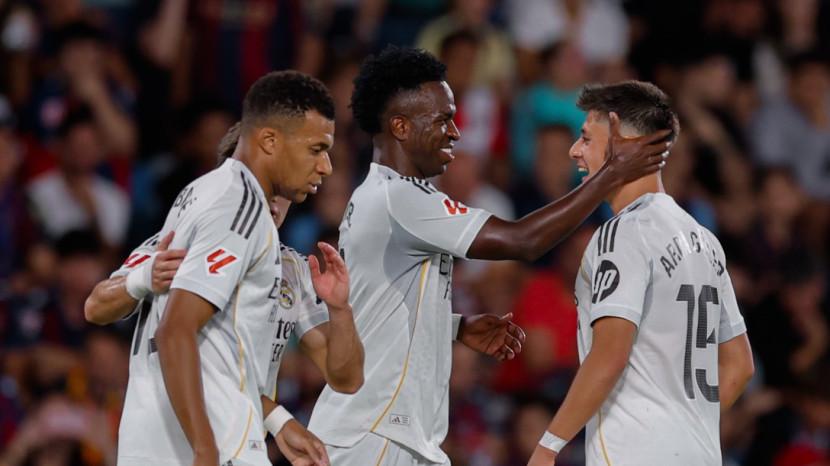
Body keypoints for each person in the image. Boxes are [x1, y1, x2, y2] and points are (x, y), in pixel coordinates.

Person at [307, 46, 671, 466]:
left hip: (387, 432)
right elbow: (523, 241)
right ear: (401, 126)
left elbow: (375, 306)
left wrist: (454, 327)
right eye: (443, 120)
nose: (455, 132)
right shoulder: (399, 198)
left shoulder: (384, 195)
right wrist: (612, 172)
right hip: (374, 434)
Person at [85, 120, 363, 466]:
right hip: (165, 443)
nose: (273, 200)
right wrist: (143, 277)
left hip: (232, 440)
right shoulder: (173, 244)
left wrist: (340, 309)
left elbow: (346, 379)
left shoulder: (292, 269)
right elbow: (95, 306)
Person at [526, 81, 755, 466]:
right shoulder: (703, 239)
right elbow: (739, 366)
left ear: (621, 140)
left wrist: (547, 447)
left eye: (586, 138)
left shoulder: (623, 233)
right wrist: (682, 431)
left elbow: (610, 355)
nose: (574, 150)